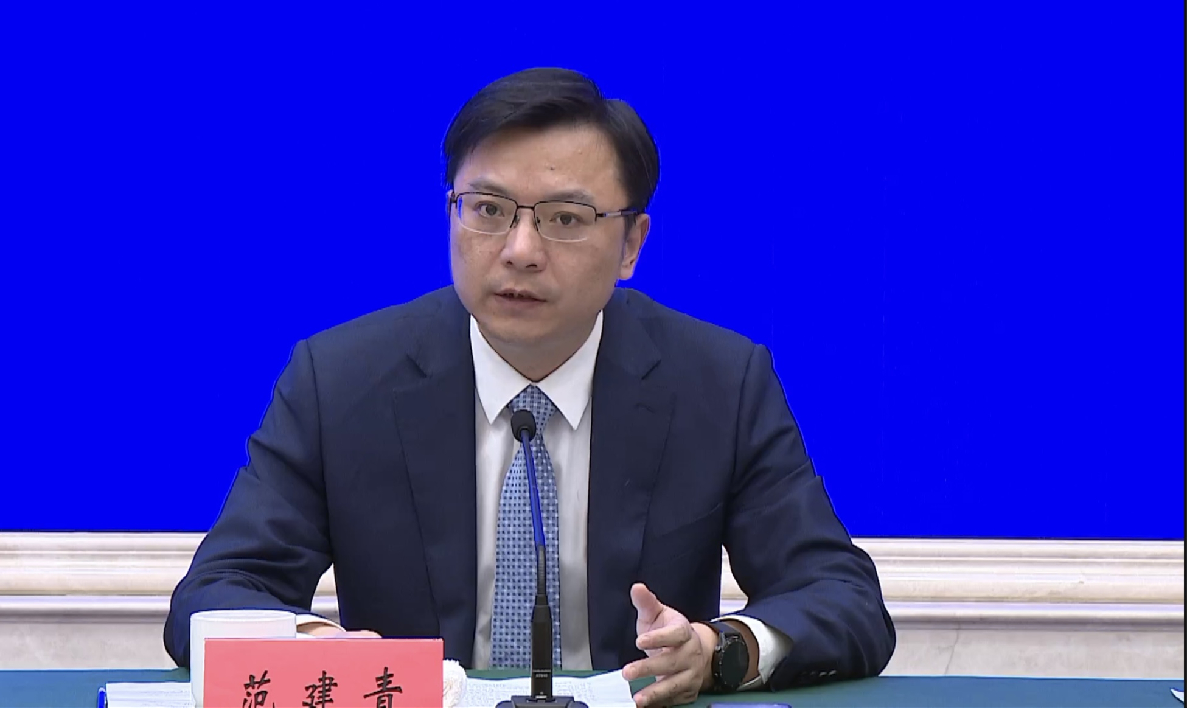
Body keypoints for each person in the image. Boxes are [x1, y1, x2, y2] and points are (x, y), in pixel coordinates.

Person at [164, 66, 895, 707]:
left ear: (632, 245)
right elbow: (214, 594)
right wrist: (312, 646)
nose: (519, 250)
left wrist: (718, 650)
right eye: (487, 209)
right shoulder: (340, 380)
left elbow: (842, 598)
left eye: (565, 219)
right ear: (451, 213)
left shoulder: (719, 382)